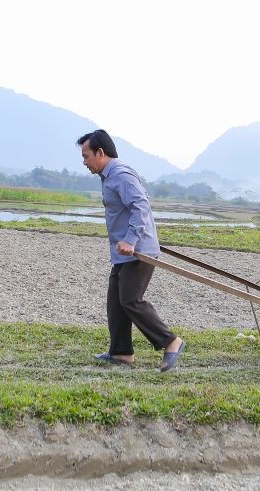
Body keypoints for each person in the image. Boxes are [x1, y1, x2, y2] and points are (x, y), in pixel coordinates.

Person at [78, 129, 186, 372]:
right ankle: (121, 352)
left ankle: (171, 341)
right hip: (123, 252)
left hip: (137, 250)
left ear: (100, 152)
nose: (84, 162)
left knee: (130, 299)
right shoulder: (108, 176)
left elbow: (140, 205)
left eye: (86, 156)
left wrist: (130, 240)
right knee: (116, 301)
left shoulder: (121, 174)